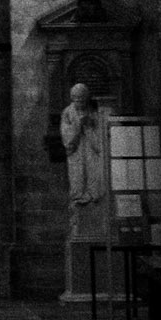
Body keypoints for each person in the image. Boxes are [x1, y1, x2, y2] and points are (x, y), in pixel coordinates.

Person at [60, 81, 105, 241]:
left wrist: (90, 125)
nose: (78, 101)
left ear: (87, 98)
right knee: (78, 181)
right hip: (77, 155)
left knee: (95, 180)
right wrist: (79, 125)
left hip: (92, 154)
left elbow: (101, 140)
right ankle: (79, 202)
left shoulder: (94, 112)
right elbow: (67, 138)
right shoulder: (67, 113)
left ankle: (93, 199)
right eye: (76, 98)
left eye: (81, 98)